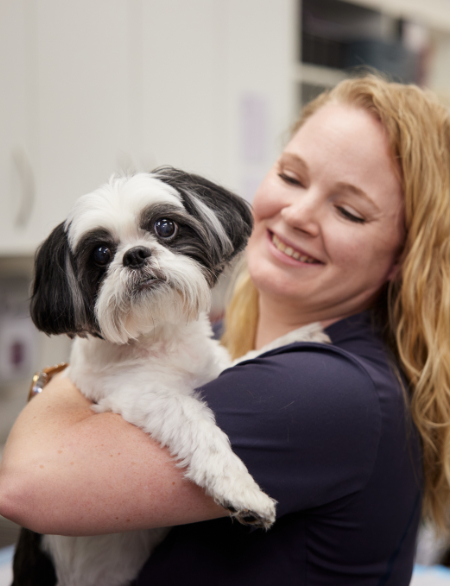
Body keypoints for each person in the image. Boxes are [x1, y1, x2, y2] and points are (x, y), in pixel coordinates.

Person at [0, 74, 449, 585]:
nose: (298, 213)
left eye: (348, 210)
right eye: (292, 176)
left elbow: (26, 484)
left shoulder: (327, 392)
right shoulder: (257, 353)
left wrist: (64, 383)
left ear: (403, 257)